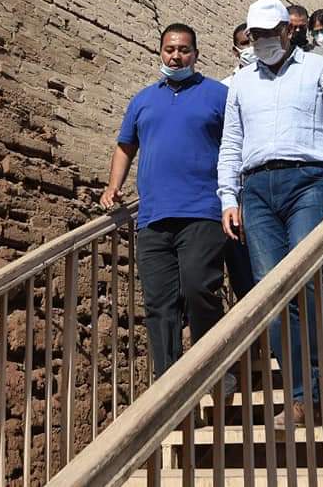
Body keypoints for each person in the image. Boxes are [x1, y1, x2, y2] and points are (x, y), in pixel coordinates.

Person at [218, 0, 323, 427]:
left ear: (288, 31)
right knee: (272, 289)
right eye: (256, 36)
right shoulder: (240, 83)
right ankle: (300, 394)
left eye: (270, 33)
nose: (263, 41)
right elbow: (231, 143)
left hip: (310, 180)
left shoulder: (321, 70)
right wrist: (228, 197)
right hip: (256, 189)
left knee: (311, 276)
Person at [100, 24, 229, 381]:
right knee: (158, 304)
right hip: (153, 217)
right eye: (170, 49)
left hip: (203, 210)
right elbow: (126, 146)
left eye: (184, 50)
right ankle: (168, 382)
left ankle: (214, 368)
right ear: (160, 52)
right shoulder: (143, 100)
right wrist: (113, 186)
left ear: (196, 54)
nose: (176, 56)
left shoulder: (218, 94)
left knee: (199, 287)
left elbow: (237, 144)